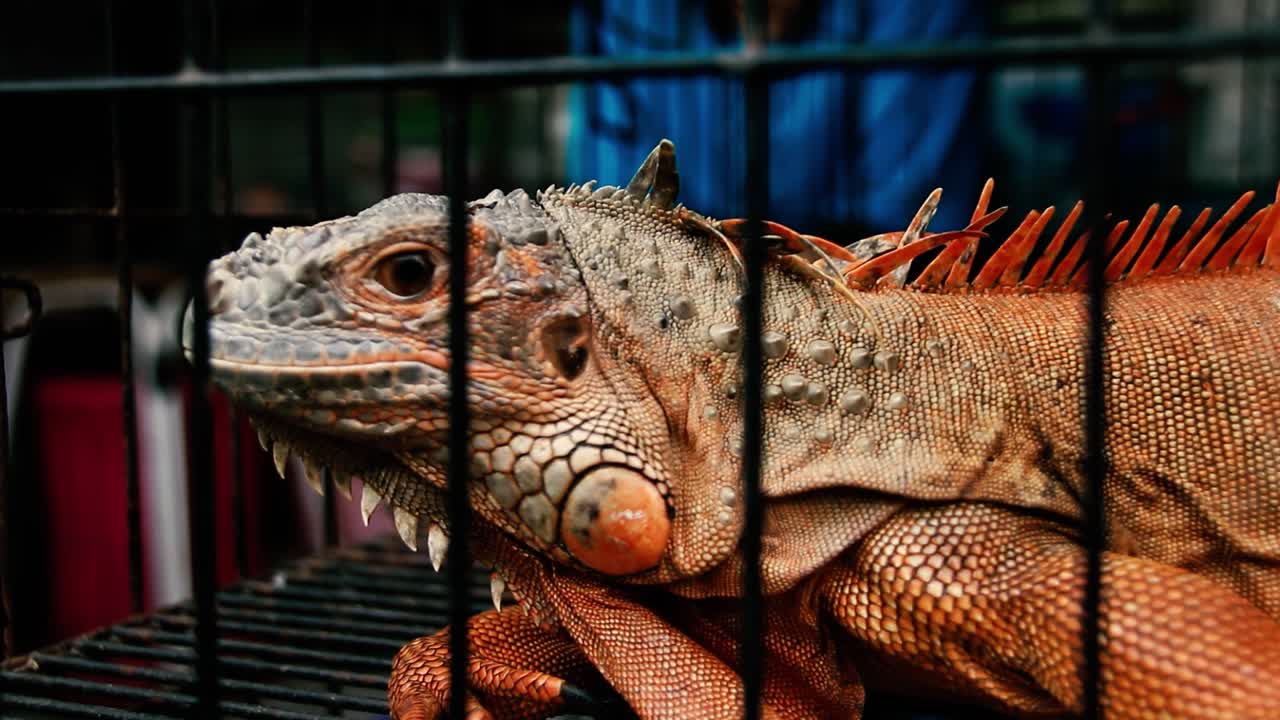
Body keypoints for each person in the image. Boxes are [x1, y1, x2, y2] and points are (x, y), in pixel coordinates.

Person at [565, 0, 986, 239]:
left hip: (857, 286)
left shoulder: (921, 12)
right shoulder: (624, 12)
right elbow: (610, 222)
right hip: (676, 281)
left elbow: (917, 233)